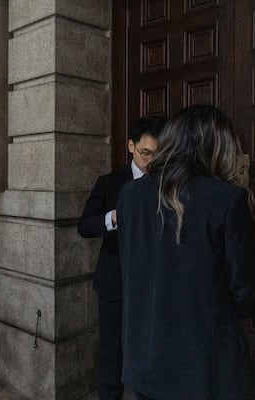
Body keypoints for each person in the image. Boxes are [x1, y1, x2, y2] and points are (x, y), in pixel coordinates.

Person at [117, 105, 255, 399]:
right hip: (202, 365)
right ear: (219, 145)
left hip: (143, 358)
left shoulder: (131, 194)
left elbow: (133, 269)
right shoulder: (227, 199)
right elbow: (243, 292)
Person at [77, 116, 165, 400]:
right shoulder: (109, 183)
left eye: (158, 154)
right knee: (111, 353)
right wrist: (114, 217)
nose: (151, 161)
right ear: (131, 146)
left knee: (156, 352)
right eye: (145, 153)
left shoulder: (170, 183)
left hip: (157, 285)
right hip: (116, 283)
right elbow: (85, 225)